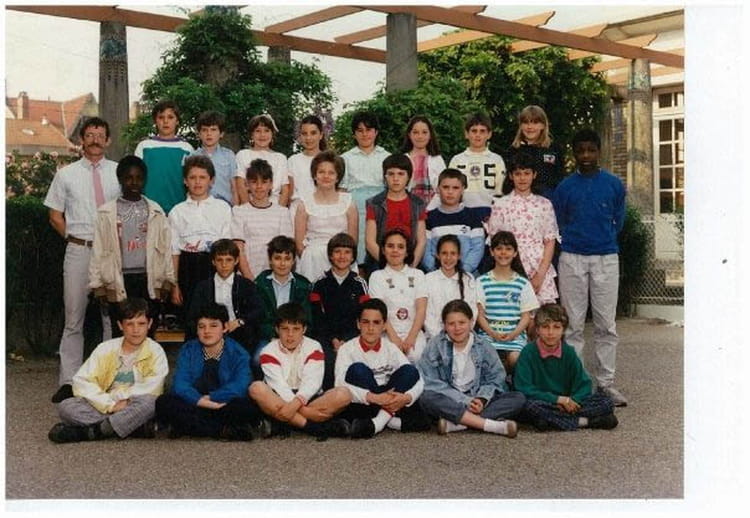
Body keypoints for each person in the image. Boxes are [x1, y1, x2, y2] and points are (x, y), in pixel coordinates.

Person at [44, 116, 121, 403]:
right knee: (73, 318)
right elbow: (54, 215)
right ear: (81, 139)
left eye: (100, 135)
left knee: (111, 318)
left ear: (108, 140)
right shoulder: (66, 174)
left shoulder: (118, 173)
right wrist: (73, 238)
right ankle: (68, 381)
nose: (95, 140)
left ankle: (110, 378)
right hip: (79, 250)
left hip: (110, 253)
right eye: (90, 135)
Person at [552, 128, 627, 406]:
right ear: (574, 153)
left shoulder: (613, 184)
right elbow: (559, 222)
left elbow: (619, 220)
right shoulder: (565, 188)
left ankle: (606, 384)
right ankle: (579, 384)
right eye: (581, 150)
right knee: (573, 325)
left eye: (591, 150)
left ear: (599, 151)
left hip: (606, 256)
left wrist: (602, 240)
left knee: (606, 324)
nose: (586, 155)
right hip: (572, 257)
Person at [48, 298, 168, 443]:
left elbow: (153, 387)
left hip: (134, 403)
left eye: (141, 324)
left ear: (149, 324)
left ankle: (93, 432)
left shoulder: (155, 351)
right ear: (120, 325)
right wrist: (110, 404)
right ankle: (133, 427)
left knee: (151, 403)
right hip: (107, 403)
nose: (136, 330)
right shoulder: (106, 349)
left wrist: (122, 400)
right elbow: (82, 381)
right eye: (130, 324)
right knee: (66, 407)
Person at [89, 155, 175, 338]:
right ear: (120, 179)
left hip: (148, 278)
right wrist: (98, 285)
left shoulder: (156, 210)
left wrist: (167, 281)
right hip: (119, 279)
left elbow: (166, 248)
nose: (134, 182)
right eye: (129, 178)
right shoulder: (106, 212)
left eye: (139, 178)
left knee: (147, 331)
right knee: (120, 332)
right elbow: (98, 250)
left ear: (145, 180)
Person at [155, 303, 262, 440]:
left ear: (225, 327)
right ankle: (222, 431)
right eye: (201, 326)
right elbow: (180, 385)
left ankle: (190, 428)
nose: (207, 331)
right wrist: (200, 400)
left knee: (245, 407)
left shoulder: (239, 353)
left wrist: (212, 397)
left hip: (223, 404)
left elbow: (240, 386)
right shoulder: (188, 349)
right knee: (164, 402)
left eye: (213, 326)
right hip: (195, 403)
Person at [417, 300, 525, 437]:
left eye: (462, 322)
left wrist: (481, 399)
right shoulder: (435, 345)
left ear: (471, 322)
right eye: (451, 324)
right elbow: (429, 381)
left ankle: (458, 424)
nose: (457, 328)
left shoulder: (483, 346)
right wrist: (464, 400)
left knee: (518, 398)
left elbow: (496, 378)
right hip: (450, 399)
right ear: (444, 325)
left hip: (476, 398)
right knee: (426, 398)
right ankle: (491, 425)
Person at [249, 302, 352, 439]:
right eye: (285, 329)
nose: (290, 335)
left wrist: (296, 406)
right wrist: (307, 412)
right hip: (280, 397)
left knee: (344, 394)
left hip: (309, 397)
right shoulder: (268, 350)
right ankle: (312, 426)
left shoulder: (314, 346)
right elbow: (278, 385)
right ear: (277, 329)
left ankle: (284, 421)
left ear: (304, 329)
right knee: (256, 388)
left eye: (296, 329)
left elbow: (313, 382)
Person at [335, 298, 430, 439]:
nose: (371, 328)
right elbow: (339, 384)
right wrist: (373, 397)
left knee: (410, 371)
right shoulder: (346, 349)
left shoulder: (390, 348)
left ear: (384, 325)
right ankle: (391, 420)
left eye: (376, 322)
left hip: (389, 394)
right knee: (358, 370)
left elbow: (418, 379)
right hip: (365, 399)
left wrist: (407, 397)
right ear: (358, 324)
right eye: (365, 322)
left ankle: (379, 421)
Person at [514, 303, 619, 431]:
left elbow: (584, 384)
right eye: (545, 327)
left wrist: (572, 400)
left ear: (563, 330)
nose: (551, 333)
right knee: (528, 407)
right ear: (537, 330)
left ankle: (552, 421)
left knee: (606, 402)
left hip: (568, 402)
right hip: (543, 401)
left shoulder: (568, 352)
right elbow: (524, 388)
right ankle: (586, 422)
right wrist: (557, 400)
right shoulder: (528, 352)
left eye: (556, 327)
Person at [487, 152, 560, 306]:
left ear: (534, 175)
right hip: (509, 266)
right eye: (518, 174)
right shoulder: (501, 204)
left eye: (527, 173)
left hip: (539, 266)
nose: (522, 178)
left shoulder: (544, 204)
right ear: (511, 176)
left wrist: (540, 275)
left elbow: (550, 241)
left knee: (543, 315)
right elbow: (495, 242)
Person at [168, 155, 232, 324]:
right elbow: (174, 252)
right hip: (188, 268)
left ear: (212, 180)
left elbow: (227, 249)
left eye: (202, 177)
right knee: (191, 320)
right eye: (192, 177)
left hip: (215, 267)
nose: (197, 182)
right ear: (185, 181)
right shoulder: (177, 211)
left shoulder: (223, 208)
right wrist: (175, 284)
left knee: (216, 318)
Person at [310, 233, 370, 389]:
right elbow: (317, 318)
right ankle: (327, 396)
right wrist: (333, 339)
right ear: (330, 255)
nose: (342, 256)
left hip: (352, 336)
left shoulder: (360, 283)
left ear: (353, 257)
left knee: (354, 363)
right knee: (327, 362)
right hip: (326, 338)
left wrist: (346, 339)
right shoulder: (319, 283)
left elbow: (364, 316)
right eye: (337, 252)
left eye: (347, 252)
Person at [476, 231, 539, 373]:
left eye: (508, 249)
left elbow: (526, 317)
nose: (503, 253)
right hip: (488, 336)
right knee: (489, 360)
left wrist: (513, 334)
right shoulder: (481, 281)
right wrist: (492, 333)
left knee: (516, 359)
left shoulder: (523, 283)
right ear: (492, 252)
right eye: (499, 248)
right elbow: (480, 315)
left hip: (515, 337)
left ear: (515, 253)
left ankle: (515, 383)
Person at [186, 239, 261, 353]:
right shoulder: (203, 287)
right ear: (213, 262)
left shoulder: (246, 285)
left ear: (236, 261)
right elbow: (193, 316)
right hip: (210, 334)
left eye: (229, 260)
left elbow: (257, 311)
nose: (224, 265)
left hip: (240, 333)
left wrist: (239, 321)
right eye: (219, 260)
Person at [294, 150, 358, 282]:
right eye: (321, 172)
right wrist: (311, 258)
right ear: (314, 175)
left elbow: (353, 241)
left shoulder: (349, 204)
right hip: (312, 262)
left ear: (338, 177)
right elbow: (299, 244)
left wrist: (341, 259)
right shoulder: (303, 204)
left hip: (342, 261)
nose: (326, 176)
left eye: (331, 172)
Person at [368, 229, 428, 362]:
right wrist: (394, 339)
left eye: (400, 247)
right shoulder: (377, 276)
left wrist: (411, 338)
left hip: (413, 332)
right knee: (389, 359)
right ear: (383, 250)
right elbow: (379, 311)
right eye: (390, 246)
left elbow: (421, 309)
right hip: (387, 332)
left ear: (407, 252)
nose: (395, 250)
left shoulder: (418, 275)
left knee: (416, 356)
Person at [254, 235, 313, 371]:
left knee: (304, 361)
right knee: (257, 359)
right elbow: (258, 319)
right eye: (277, 258)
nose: (282, 263)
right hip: (269, 336)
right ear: (270, 260)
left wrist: (293, 337)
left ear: (293, 261)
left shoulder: (303, 285)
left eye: (287, 259)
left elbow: (307, 318)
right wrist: (274, 337)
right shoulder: (260, 284)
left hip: (296, 336)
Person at [230, 158, 294, 280]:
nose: (259, 187)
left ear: (271, 184)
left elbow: (286, 250)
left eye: (264, 182)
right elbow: (238, 249)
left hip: (275, 278)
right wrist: (250, 279)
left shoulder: (282, 212)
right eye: (254, 182)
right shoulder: (239, 212)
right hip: (248, 276)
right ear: (247, 184)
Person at [340, 111, 391, 265]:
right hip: (355, 208)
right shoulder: (346, 158)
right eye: (360, 130)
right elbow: (342, 190)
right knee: (358, 247)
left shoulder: (386, 157)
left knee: (381, 245)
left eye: (368, 130)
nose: (365, 134)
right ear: (354, 134)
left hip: (382, 208)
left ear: (376, 132)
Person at [364, 153, 427, 272]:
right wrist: (389, 267)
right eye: (391, 174)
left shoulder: (418, 204)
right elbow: (370, 241)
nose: (396, 178)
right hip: (380, 260)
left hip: (410, 260)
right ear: (385, 177)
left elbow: (421, 241)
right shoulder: (375, 203)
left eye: (401, 174)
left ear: (409, 177)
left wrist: (410, 267)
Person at [422, 168, 489, 275]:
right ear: (438, 189)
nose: (450, 192)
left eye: (455, 188)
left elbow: (478, 248)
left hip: (467, 276)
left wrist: (463, 271)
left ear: (462, 189)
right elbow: (425, 250)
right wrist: (437, 272)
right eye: (445, 187)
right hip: (437, 277)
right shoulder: (429, 218)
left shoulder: (473, 217)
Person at [135, 99, 194, 214]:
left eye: (170, 117)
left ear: (177, 121)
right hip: (149, 210)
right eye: (161, 117)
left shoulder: (187, 149)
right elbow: (136, 179)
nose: (165, 121)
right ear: (155, 121)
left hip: (178, 210)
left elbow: (191, 181)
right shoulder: (144, 146)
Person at [423, 235, 479, 342]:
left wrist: (460, 335)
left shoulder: (468, 279)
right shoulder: (428, 279)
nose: (448, 258)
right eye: (444, 253)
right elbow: (427, 315)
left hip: (463, 338)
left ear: (459, 256)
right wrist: (441, 339)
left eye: (453, 253)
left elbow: (472, 311)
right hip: (435, 339)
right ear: (437, 255)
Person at [503, 105, 564, 200]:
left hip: (548, 199)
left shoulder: (553, 149)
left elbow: (560, 177)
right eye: (526, 122)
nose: (530, 127)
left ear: (543, 125)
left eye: (535, 122)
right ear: (520, 125)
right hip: (520, 200)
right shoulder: (513, 150)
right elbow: (508, 181)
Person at [448, 112, 506, 210]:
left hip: (490, 210)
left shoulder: (497, 160)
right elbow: (450, 188)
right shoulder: (457, 160)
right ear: (466, 134)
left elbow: (500, 189)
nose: (478, 135)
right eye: (474, 131)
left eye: (482, 131)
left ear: (489, 134)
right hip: (463, 210)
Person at [235, 114, 290, 207]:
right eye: (258, 131)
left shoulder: (281, 158)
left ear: (272, 134)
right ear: (251, 134)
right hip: (250, 205)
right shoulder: (243, 155)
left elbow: (285, 189)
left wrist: (279, 210)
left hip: (275, 206)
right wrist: (248, 208)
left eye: (266, 131)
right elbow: (240, 184)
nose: (262, 135)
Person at [190, 110, 238, 205]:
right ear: (199, 134)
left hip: (224, 205)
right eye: (204, 130)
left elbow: (234, 187)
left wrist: (236, 209)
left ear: (221, 133)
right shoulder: (192, 157)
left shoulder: (229, 155)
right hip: (200, 206)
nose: (209, 133)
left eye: (213, 130)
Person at [400, 115, 446, 208]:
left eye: (424, 132)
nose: (420, 136)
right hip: (408, 209)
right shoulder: (402, 159)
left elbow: (444, 186)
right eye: (415, 132)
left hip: (434, 209)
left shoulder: (437, 159)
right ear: (409, 135)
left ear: (430, 135)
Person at [288, 114, 327, 203]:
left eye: (313, 133)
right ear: (300, 136)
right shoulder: (293, 161)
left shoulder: (329, 160)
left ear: (321, 135)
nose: (308, 138)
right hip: (297, 207)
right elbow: (290, 193)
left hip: (322, 207)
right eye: (304, 134)